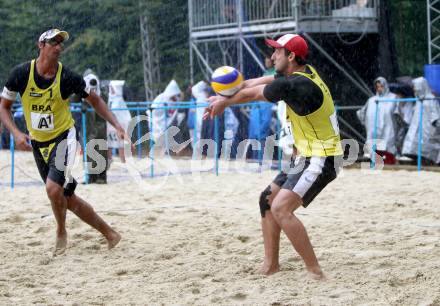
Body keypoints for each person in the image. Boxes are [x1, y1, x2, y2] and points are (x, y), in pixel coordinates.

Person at [205, 34, 343, 279]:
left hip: (324, 158)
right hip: (307, 156)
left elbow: (252, 94)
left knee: (281, 208)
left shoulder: (297, 85)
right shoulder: (299, 73)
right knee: (267, 200)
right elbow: (254, 83)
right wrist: (224, 95)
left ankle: (315, 271)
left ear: (291, 56)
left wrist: (223, 103)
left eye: (277, 51)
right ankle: (271, 265)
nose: (272, 55)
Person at [0, 29, 124, 254]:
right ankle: (110, 234)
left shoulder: (67, 77)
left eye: (61, 43)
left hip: (64, 138)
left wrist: (116, 124)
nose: (58, 47)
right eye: (53, 42)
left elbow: (95, 100)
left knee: (52, 188)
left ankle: (60, 230)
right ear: (41, 45)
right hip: (38, 142)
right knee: (68, 197)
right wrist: (17, 134)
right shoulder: (20, 74)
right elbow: (3, 107)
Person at [357, 77, 397, 164]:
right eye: (377, 87)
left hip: (388, 128)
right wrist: (366, 123)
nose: (379, 89)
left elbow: (398, 113)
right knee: (374, 146)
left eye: (381, 86)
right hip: (373, 129)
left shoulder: (393, 98)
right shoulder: (372, 100)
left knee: (387, 146)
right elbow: (362, 112)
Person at [401, 77, 440, 165]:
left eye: (415, 87)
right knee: (414, 150)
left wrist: (436, 126)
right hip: (418, 131)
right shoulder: (419, 100)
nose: (414, 89)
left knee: (425, 151)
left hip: (427, 131)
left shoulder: (430, 100)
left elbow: (436, 116)